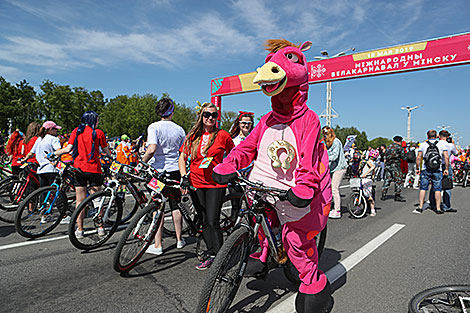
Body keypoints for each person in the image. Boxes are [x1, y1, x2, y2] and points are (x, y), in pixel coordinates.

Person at [179, 102, 234, 270]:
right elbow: (182, 158)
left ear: (217, 117)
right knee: (203, 221)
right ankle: (211, 253)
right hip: (196, 182)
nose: (210, 117)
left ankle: (220, 258)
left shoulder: (223, 135)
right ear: (201, 117)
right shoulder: (193, 136)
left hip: (215, 183)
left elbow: (234, 154)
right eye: (206, 114)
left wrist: (228, 170)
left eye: (213, 115)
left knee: (212, 220)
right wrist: (184, 177)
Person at [53, 111, 112, 237]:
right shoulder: (99, 133)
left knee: (80, 201)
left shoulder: (77, 131)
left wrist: (55, 153)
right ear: (93, 120)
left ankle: (80, 229)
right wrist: (112, 158)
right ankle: (100, 227)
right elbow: (106, 151)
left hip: (79, 168)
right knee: (97, 199)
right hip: (94, 169)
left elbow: (68, 149)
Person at [141, 98, 186, 255]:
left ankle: (158, 244)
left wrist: (141, 162)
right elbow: (183, 151)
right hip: (175, 170)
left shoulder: (154, 127)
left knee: (157, 206)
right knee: (175, 205)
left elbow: (152, 148)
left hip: (158, 171)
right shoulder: (179, 129)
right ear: (172, 111)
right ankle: (180, 239)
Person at [413, 129, 449, 214]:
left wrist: (417, 168)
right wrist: (446, 169)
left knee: (423, 188)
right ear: (436, 136)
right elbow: (446, 157)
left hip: (426, 169)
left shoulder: (423, 144)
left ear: (427, 136)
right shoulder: (441, 144)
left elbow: (418, 158)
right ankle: (438, 208)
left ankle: (421, 206)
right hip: (437, 169)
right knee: (437, 189)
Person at [228, 111, 255, 219]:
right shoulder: (232, 140)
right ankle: (233, 232)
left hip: (249, 178)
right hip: (235, 178)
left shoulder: (254, 139)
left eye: (249, 123)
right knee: (235, 206)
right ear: (238, 124)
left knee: (251, 207)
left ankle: (251, 233)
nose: (246, 125)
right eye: (243, 123)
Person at [23, 122, 62, 188]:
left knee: (43, 192)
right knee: (55, 191)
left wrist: (24, 159)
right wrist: (56, 158)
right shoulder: (54, 139)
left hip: (41, 170)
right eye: (55, 129)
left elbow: (31, 153)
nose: (56, 131)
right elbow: (58, 151)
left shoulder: (39, 139)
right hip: (51, 169)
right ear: (50, 129)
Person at [322, 126, 347, 219]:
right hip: (333, 168)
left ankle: (337, 211)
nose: (324, 137)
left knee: (334, 189)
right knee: (329, 188)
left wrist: (324, 158)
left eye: (325, 135)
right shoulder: (328, 143)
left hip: (340, 168)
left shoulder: (336, 142)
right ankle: (333, 208)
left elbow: (335, 156)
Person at [428, 130, 457, 213]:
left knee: (435, 184)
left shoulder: (435, 143)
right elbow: (456, 154)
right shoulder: (450, 145)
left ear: (439, 136)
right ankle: (446, 206)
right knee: (447, 186)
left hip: (436, 166)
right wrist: (453, 143)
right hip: (446, 165)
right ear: (447, 137)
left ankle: (433, 204)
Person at [381, 135, 406, 202]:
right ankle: (397, 195)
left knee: (387, 179)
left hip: (388, 165)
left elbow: (385, 155)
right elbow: (403, 157)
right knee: (398, 180)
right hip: (395, 165)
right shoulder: (399, 148)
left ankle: (383, 194)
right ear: (400, 141)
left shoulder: (389, 147)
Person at [360, 149, 378, 216]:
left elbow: (372, 168)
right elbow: (373, 171)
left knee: (367, 195)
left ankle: (371, 210)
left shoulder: (369, 162)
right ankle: (372, 210)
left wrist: (365, 174)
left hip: (366, 179)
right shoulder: (373, 162)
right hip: (368, 179)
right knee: (368, 195)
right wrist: (372, 177)